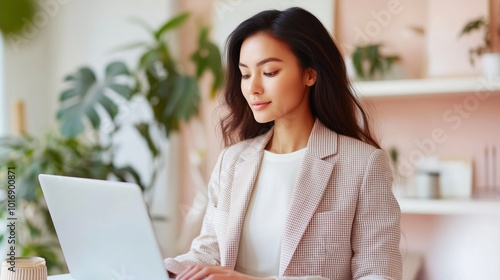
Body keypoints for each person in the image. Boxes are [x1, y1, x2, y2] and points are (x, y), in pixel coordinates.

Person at [164, 7, 402, 280]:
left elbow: (379, 275)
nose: (252, 87)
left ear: (310, 74)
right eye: (244, 74)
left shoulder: (363, 165)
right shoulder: (231, 161)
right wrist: (154, 269)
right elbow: (206, 254)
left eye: (270, 72)